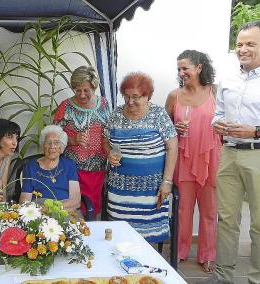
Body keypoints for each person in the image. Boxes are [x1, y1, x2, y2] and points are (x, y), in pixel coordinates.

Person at [199, 21, 260, 284]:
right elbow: (218, 114)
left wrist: (256, 131)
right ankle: (222, 277)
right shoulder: (227, 78)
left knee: (258, 225)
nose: (243, 49)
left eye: (250, 44)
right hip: (229, 154)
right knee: (226, 219)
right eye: (239, 44)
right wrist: (217, 123)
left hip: (257, 154)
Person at [104, 72, 178, 243]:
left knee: (147, 239)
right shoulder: (116, 114)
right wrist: (109, 153)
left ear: (147, 96)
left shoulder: (158, 114)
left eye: (136, 97)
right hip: (120, 189)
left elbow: (173, 147)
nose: (130, 102)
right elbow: (105, 140)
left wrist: (167, 181)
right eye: (126, 96)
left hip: (151, 190)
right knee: (120, 237)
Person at [165, 50, 221, 273]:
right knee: (183, 209)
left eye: (185, 68)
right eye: (179, 68)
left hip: (211, 159)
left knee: (209, 210)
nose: (181, 72)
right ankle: (179, 251)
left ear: (199, 68)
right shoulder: (174, 96)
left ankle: (208, 254)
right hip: (184, 158)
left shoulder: (215, 91)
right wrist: (174, 128)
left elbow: (226, 121)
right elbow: (164, 128)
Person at [53, 65, 109, 216]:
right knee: (75, 210)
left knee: (93, 209)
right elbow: (53, 138)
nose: (82, 94)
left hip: (98, 169)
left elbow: (109, 132)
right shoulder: (66, 106)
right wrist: (73, 139)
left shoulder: (103, 104)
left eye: (86, 90)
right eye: (78, 90)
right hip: (72, 171)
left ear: (94, 87)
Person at [19, 125, 81, 214]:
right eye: (48, 142)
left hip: (65, 209)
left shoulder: (69, 165)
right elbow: (24, 201)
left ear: (61, 147)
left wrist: (55, 208)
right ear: (43, 146)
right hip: (39, 210)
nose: (52, 146)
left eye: (56, 142)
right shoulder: (30, 167)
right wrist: (41, 210)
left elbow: (76, 200)